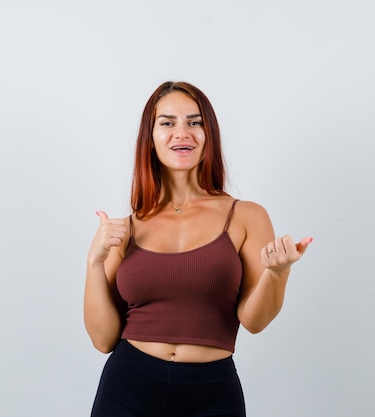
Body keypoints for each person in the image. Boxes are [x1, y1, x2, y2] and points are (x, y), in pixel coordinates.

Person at [84, 81, 312, 416]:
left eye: (195, 122)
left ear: (209, 134)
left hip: (211, 393)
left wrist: (278, 273)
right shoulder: (128, 227)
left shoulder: (246, 216)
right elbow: (103, 340)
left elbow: (254, 321)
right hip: (127, 387)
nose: (182, 133)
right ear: (151, 138)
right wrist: (94, 262)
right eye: (167, 123)